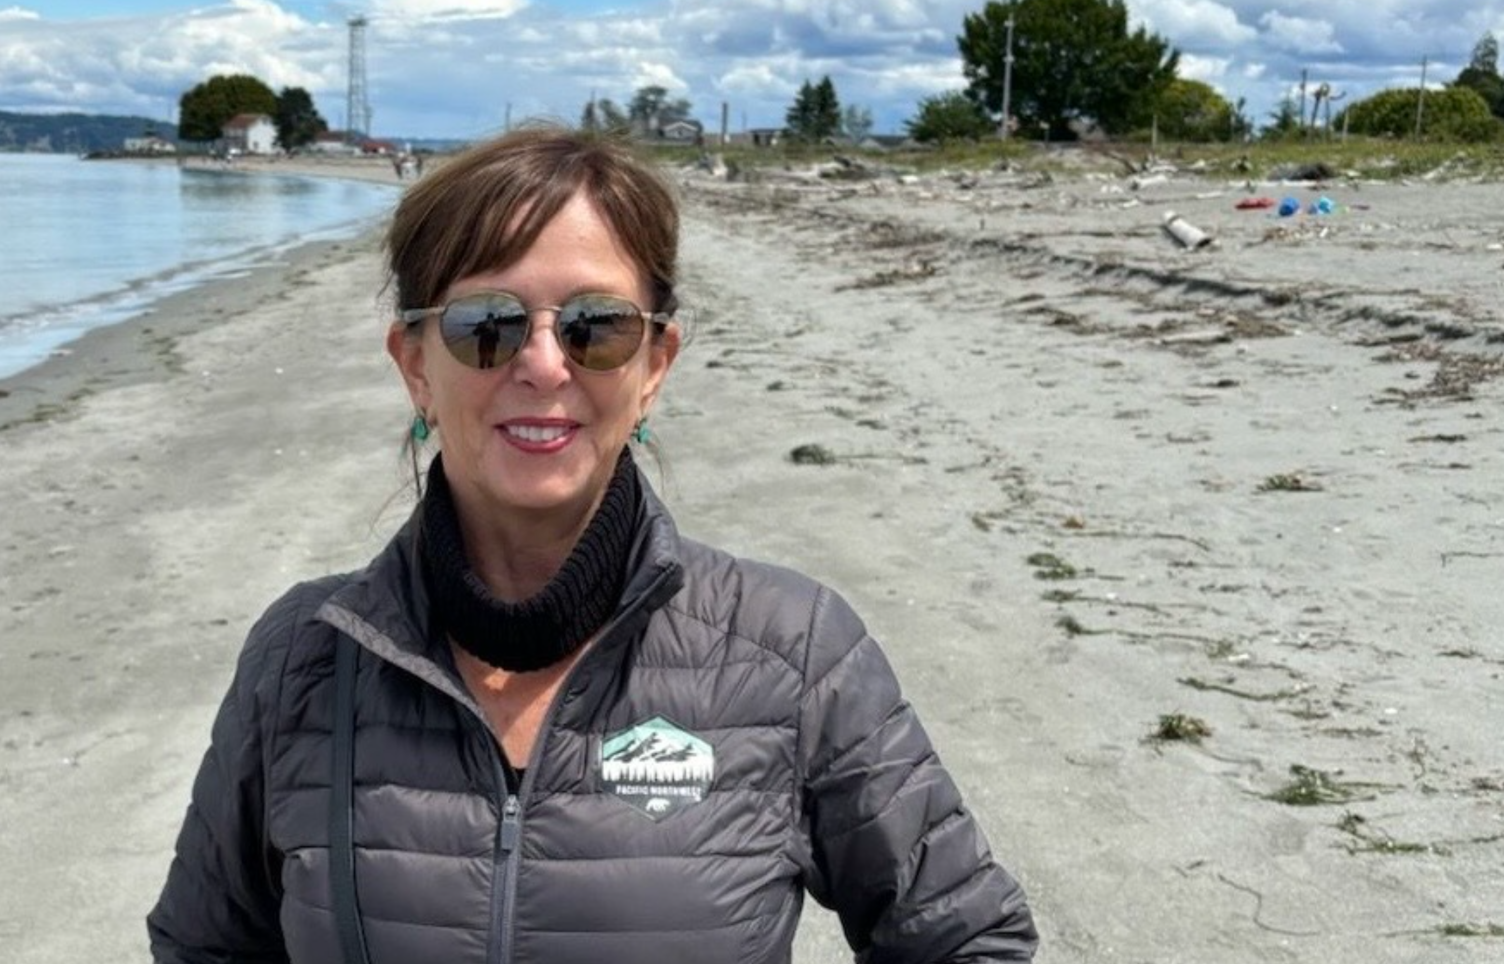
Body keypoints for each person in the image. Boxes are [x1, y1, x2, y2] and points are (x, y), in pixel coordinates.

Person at [147, 125, 1037, 962]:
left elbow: (966, 938)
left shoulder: (793, 651)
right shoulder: (302, 658)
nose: (542, 365)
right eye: (485, 325)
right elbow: (206, 946)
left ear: (654, 364)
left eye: (595, 327)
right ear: (416, 363)